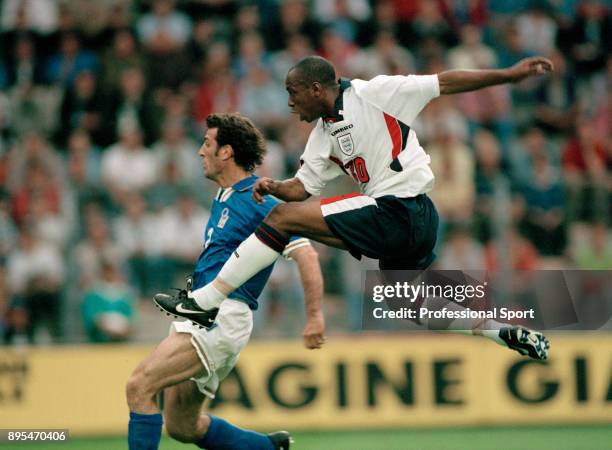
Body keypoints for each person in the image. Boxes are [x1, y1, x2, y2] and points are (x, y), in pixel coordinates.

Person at [156, 55, 553, 360]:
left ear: (315, 88)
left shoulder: (374, 93)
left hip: (400, 207)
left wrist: (509, 75)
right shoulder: (322, 135)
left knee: (280, 219)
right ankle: (502, 331)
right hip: (409, 222)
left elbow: (444, 82)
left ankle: (205, 301)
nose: (290, 103)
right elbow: (300, 190)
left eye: (293, 93)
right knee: (407, 305)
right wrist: (275, 184)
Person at [127, 113, 325, 450]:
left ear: (226, 153)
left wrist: (315, 315)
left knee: (139, 385)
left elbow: (306, 254)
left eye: (207, 144)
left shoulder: (259, 200)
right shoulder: (226, 197)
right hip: (203, 316)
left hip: (222, 317)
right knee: (182, 426)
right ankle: (267, 448)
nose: (200, 152)